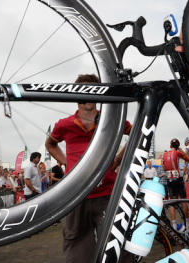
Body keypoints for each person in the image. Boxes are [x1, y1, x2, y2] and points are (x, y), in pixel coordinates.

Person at [45, 73, 134, 263]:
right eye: (84, 90)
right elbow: (50, 144)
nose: (89, 95)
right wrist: (67, 164)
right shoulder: (64, 124)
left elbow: (136, 133)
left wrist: (119, 158)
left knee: (118, 251)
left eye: (93, 90)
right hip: (77, 197)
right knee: (78, 254)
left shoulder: (112, 118)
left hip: (107, 195)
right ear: (76, 95)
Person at [162, 138, 189, 230]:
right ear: (178, 146)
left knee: (172, 203)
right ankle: (187, 224)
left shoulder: (164, 154)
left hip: (170, 179)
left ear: (170, 146)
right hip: (178, 179)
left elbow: (164, 168)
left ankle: (174, 225)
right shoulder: (177, 152)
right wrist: (182, 151)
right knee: (184, 201)